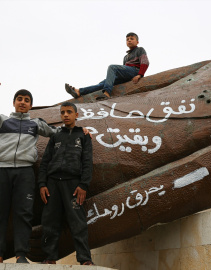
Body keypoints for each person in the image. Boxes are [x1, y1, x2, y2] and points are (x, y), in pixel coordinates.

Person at [0, 89, 61, 264]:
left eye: (26, 100)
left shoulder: (35, 124)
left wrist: (80, 130)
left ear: (31, 105)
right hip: (2, 169)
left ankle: (21, 255)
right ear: (13, 102)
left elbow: (57, 133)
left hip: (25, 171)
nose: (22, 102)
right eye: (19, 99)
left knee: (23, 213)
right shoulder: (3, 120)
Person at [38, 102, 94, 266]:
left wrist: (84, 185)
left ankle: (85, 259)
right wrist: (42, 184)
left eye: (69, 112)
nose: (65, 115)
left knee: (78, 222)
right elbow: (45, 162)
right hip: (53, 184)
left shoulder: (83, 135)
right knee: (49, 221)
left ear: (76, 115)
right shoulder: (55, 136)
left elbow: (87, 162)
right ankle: (49, 258)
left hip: (73, 184)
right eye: (63, 112)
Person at [65, 32, 149, 99]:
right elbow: (123, 70)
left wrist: (139, 75)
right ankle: (79, 91)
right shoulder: (126, 57)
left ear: (137, 42)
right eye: (127, 39)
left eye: (132, 39)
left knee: (112, 67)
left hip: (135, 71)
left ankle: (107, 93)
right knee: (104, 83)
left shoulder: (140, 50)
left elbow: (145, 62)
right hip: (127, 75)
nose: (129, 40)